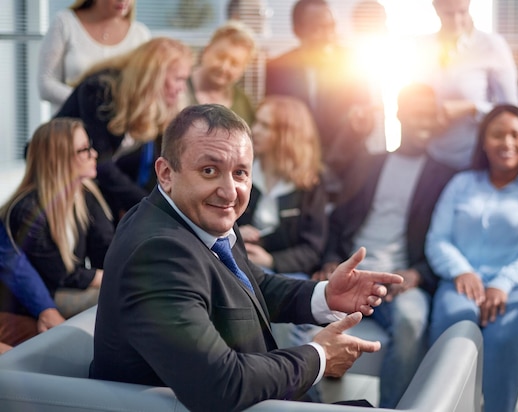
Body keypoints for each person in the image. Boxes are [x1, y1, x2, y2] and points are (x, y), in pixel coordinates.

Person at [90, 103, 403, 412]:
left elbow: (254, 284)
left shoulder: (201, 216)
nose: (229, 192)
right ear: (166, 173)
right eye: (209, 171)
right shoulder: (157, 251)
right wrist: (319, 356)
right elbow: (220, 386)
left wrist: (325, 295)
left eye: (240, 173)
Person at [313, 83, 457, 408]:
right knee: (288, 315)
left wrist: (418, 275)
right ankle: (310, 405)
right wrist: (331, 260)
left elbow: (446, 240)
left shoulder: (445, 176)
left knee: (412, 321)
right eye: (418, 113)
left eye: (431, 115)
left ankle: (393, 409)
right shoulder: (369, 163)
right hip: (350, 272)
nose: (426, 121)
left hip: (401, 281)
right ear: (400, 115)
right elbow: (338, 220)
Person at [425, 105, 518, 412]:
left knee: (502, 337)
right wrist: (462, 271)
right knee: (454, 322)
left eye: (516, 134)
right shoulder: (461, 183)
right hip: (461, 285)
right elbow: (438, 240)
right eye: (497, 134)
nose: (507, 143)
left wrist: (503, 282)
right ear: (484, 141)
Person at [0, 118, 114, 351]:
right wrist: (107, 277)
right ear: (60, 159)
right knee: (113, 297)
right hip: (33, 300)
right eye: (84, 149)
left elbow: (107, 248)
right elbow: (61, 274)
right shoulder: (27, 209)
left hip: (65, 287)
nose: (94, 153)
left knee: (127, 290)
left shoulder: (84, 194)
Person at [56, 37, 193, 221]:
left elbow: (160, 161)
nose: (182, 89)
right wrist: (151, 205)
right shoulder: (100, 90)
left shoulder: (157, 105)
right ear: (155, 76)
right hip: (61, 178)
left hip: (99, 184)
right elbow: (101, 162)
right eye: (178, 79)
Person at [265, 0, 373, 199]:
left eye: (331, 27)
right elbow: (275, 124)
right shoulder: (276, 68)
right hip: (295, 168)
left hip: (346, 166)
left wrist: (327, 166)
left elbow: (365, 120)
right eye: (318, 28)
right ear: (298, 30)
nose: (328, 36)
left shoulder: (353, 63)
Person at [417, 0, 518, 170]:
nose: (457, 20)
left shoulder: (491, 45)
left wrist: (472, 108)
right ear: (436, 9)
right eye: (448, 14)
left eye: (462, 12)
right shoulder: (423, 47)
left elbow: (512, 110)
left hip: (474, 158)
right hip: (432, 157)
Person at [237, 96, 327, 275]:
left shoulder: (310, 183)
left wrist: (271, 261)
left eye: (265, 126)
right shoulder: (239, 170)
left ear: (287, 135)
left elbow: (312, 249)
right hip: (239, 261)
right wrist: (236, 233)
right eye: (256, 122)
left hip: (286, 272)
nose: (254, 130)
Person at [38, 0, 151, 113]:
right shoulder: (65, 23)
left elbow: (145, 90)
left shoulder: (140, 35)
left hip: (118, 126)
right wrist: (86, 101)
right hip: (69, 125)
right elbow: (46, 84)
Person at [188, 21, 257, 126]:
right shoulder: (177, 88)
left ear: (243, 69)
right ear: (206, 51)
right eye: (220, 57)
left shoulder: (244, 104)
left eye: (234, 63)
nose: (224, 67)